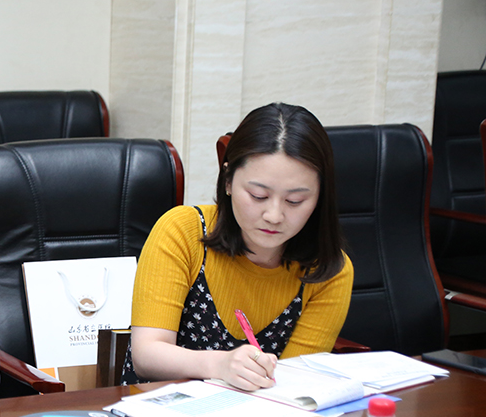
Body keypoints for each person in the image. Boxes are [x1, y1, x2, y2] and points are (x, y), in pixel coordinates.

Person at [123, 102, 353, 390]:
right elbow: (146, 355)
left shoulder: (328, 270)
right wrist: (220, 365)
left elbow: (293, 383)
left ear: (320, 196)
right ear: (228, 180)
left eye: (295, 201)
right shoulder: (183, 231)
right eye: (258, 195)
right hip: (159, 408)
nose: (274, 215)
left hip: (263, 413)